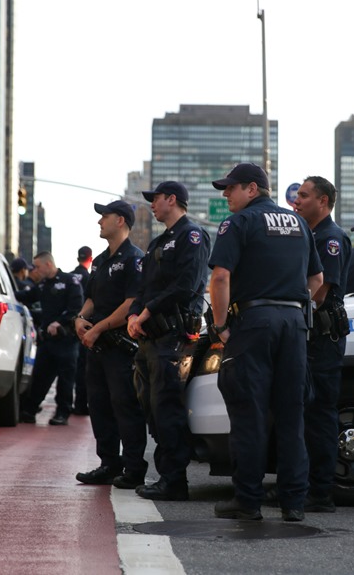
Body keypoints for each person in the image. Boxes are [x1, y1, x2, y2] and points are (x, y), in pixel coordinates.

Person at [208, 163, 323, 522]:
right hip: (294, 323)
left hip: (255, 323)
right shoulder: (299, 223)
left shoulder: (238, 223)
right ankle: (293, 503)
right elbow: (317, 279)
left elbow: (221, 277)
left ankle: (248, 500)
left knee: (250, 414)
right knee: (291, 415)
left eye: (231, 188)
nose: (226, 195)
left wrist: (221, 325)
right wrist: (288, 302)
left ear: (253, 189)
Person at [127, 181, 210, 501]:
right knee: (151, 408)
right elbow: (143, 287)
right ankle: (166, 475)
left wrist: (145, 313)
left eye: (156, 199)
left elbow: (186, 286)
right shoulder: (158, 242)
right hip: (150, 338)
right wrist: (136, 314)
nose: (152, 204)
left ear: (172, 200)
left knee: (167, 408)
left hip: (173, 336)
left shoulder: (192, 236)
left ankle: (174, 480)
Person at [73, 201, 148, 488]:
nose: (99, 222)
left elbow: (131, 303)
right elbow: (91, 299)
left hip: (119, 346)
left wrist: (99, 328)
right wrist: (81, 319)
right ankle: (109, 463)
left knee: (125, 406)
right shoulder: (102, 260)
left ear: (120, 221)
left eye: (104, 217)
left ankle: (133, 467)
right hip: (97, 347)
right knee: (99, 406)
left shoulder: (134, 259)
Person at [292, 176, 351, 514]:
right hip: (307, 337)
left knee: (320, 415)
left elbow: (321, 290)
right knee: (302, 415)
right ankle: (303, 486)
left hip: (322, 340)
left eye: (303, 195)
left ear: (324, 202)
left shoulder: (331, 238)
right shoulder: (308, 235)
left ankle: (321, 492)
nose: (296, 201)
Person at [18, 251, 84, 426]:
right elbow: (26, 297)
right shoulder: (43, 285)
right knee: (40, 376)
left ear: (48, 264)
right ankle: (29, 410)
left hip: (66, 339)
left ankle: (62, 413)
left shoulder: (70, 281)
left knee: (65, 380)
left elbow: (77, 308)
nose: (35, 270)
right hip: (48, 341)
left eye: (38, 267)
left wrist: (59, 322)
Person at [70, 246, 94, 416]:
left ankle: (76, 404)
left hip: (68, 327)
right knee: (84, 368)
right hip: (84, 328)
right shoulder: (88, 277)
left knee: (73, 369)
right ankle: (81, 404)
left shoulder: (69, 276)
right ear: (90, 258)